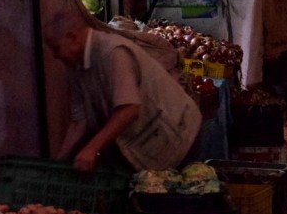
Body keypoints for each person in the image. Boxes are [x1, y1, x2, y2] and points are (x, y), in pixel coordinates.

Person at [44, 10, 202, 173]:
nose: (55, 55)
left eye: (56, 48)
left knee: (180, 191)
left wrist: (92, 148)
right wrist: (58, 162)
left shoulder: (113, 52)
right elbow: (79, 120)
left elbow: (129, 109)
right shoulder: (76, 66)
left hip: (178, 134)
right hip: (149, 142)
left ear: (72, 37)